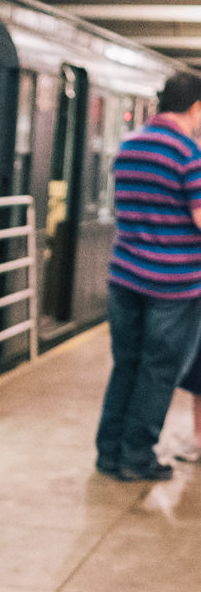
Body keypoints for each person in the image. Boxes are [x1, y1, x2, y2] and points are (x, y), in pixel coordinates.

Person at [95, 73, 201, 483]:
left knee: (126, 366)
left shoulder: (130, 145)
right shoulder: (188, 154)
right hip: (172, 285)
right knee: (158, 372)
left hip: (126, 278)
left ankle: (109, 453)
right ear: (194, 107)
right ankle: (136, 456)